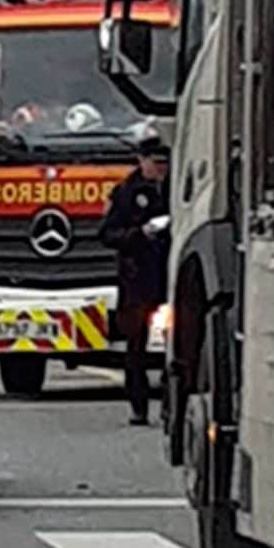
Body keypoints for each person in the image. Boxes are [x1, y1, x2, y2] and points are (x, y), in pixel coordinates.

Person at [99, 134, 170, 426]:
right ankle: (138, 406)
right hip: (138, 276)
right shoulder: (127, 192)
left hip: (170, 273)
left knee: (177, 343)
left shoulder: (178, 186)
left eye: (165, 163)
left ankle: (171, 402)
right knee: (136, 346)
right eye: (156, 162)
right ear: (141, 161)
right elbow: (108, 234)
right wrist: (140, 234)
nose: (161, 168)